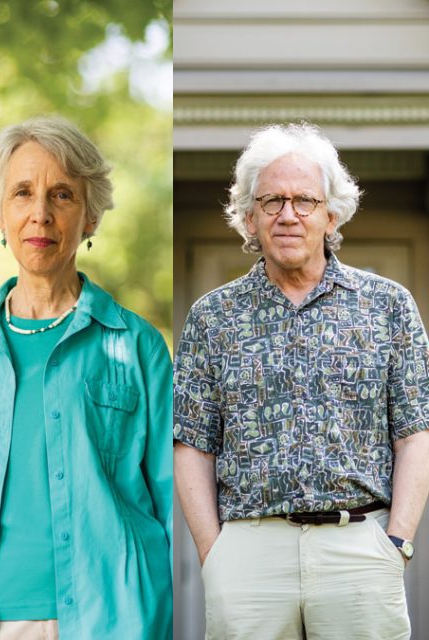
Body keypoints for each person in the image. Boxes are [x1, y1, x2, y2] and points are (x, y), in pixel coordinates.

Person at [0, 116, 173, 640]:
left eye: (62, 195)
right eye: (22, 193)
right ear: (0, 214)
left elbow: (174, 506)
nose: (40, 214)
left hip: (114, 620)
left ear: (91, 217)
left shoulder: (138, 346)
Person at [173, 122, 429, 639]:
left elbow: (415, 432)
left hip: (359, 545)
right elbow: (191, 445)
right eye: (271, 201)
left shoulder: (389, 307)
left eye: (304, 201)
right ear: (249, 217)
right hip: (248, 552)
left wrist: (396, 542)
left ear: (331, 214)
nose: (288, 214)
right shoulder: (212, 317)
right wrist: (213, 554)